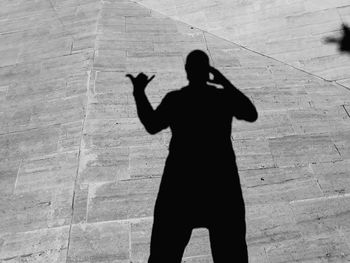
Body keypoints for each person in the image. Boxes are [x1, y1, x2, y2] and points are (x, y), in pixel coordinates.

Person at [126, 50, 258, 262]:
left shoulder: (176, 100)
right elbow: (251, 113)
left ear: (187, 71)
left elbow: (151, 124)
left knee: (164, 255)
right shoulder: (222, 98)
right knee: (231, 255)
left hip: (180, 187)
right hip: (221, 186)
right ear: (207, 72)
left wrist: (139, 92)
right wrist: (224, 81)